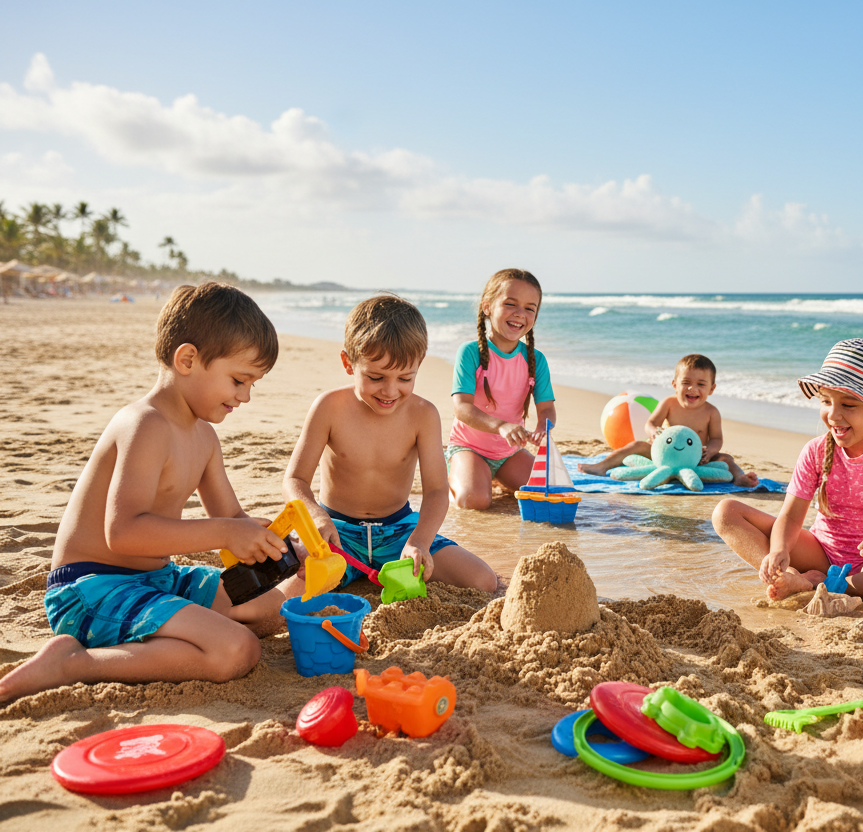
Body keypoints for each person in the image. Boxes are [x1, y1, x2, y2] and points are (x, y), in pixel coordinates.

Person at [0, 283, 296, 704]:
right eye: (238, 380)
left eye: (253, 385)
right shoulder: (145, 425)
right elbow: (123, 534)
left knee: (269, 607)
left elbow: (233, 519)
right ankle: (74, 663)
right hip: (92, 589)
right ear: (188, 359)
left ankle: (168, 638)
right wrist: (226, 533)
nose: (245, 397)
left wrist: (278, 545)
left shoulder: (205, 437)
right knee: (237, 649)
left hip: (154, 580)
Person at [284, 295, 497, 592]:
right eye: (376, 377)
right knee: (282, 596)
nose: (390, 390)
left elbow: (437, 491)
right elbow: (295, 479)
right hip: (335, 534)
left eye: (405, 378)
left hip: (400, 533)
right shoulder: (328, 408)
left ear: (419, 366)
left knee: (483, 581)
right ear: (349, 363)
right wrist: (316, 516)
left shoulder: (424, 415)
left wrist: (419, 542)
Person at [712, 338, 863, 603]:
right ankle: (787, 574)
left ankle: (830, 584)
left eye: (848, 405)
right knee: (726, 513)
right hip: (819, 553)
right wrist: (779, 551)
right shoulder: (816, 451)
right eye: (826, 401)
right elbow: (790, 518)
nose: (833, 415)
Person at [446, 269, 557, 510]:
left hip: (509, 453)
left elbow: (546, 407)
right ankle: (462, 471)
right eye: (510, 304)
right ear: (487, 306)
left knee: (548, 492)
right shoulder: (470, 352)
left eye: (530, 308)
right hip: (469, 447)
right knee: (474, 500)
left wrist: (542, 428)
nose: (520, 314)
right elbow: (461, 408)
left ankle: (489, 475)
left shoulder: (535, 360)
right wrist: (501, 426)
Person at [578, 354, 758, 487]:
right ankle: (601, 467)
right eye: (686, 382)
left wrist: (710, 451)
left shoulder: (711, 412)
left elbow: (717, 439)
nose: (692, 388)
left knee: (725, 458)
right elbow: (650, 423)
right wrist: (654, 432)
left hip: (696, 460)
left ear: (711, 389)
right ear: (675, 385)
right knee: (635, 446)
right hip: (663, 456)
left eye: (701, 384)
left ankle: (740, 477)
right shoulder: (669, 403)